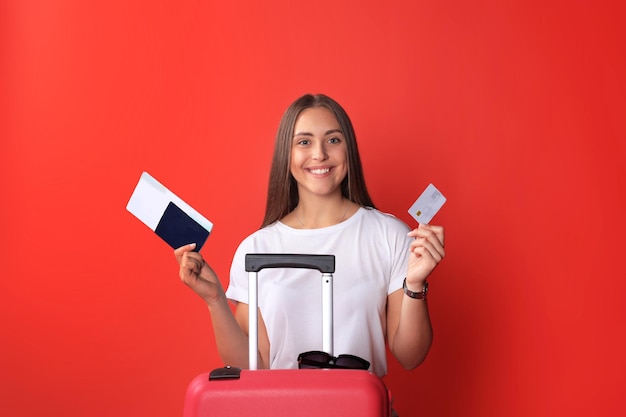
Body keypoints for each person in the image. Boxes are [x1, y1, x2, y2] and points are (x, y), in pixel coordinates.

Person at [174, 93, 445, 378]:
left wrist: (415, 283)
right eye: (304, 142)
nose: (319, 154)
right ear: (286, 154)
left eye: (333, 140)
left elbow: (410, 355)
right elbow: (254, 364)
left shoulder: (389, 235)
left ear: (348, 150)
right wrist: (215, 299)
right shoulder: (256, 248)